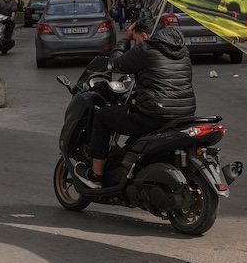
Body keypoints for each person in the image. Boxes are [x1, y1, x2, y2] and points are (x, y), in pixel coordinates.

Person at [83, 18, 195, 185]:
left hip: (155, 114)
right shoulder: (182, 50)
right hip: (185, 114)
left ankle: (96, 175)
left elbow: (114, 65)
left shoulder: (145, 49)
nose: (135, 44)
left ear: (144, 35)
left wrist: (126, 39)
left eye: (136, 40)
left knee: (101, 116)